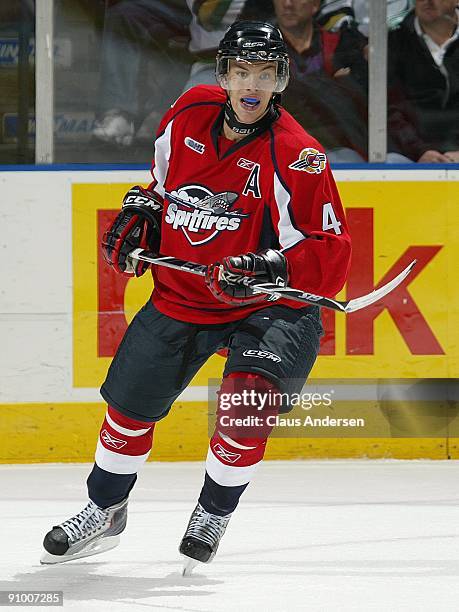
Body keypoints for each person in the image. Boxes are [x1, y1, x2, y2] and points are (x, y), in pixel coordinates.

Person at [41, 21, 351, 573]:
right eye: (240, 72)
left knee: (244, 408)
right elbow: (161, 188)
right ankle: (104, 510)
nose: (251, 85)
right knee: (127, 410)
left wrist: (268, 264)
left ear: (279, 79)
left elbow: (332, 251)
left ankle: (213, 511)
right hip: (185, 293)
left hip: (267, 306)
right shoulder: (187, 112)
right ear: (224, 75)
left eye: (263, 73)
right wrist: (142, 217)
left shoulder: (298, 156)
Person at [240, 0, 369, 162]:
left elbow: (360, 96)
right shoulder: (256, 49)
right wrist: (330, 84)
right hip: (274, 146)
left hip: (337, 145)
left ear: (315, 5)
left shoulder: (343, 45)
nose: (287, 4)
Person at [92, 0, 190, 146]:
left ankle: (162, 114)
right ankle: (120, 115)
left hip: (219, 23)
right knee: (123, 14)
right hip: (181, 9)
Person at [387, 0, 459, 163]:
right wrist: (420, 151)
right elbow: (389, 109)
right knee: (389, 163)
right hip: (411, 154)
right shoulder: (392, 43)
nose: (428, 0)